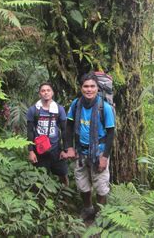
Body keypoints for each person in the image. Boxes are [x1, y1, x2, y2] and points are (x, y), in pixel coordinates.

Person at [63, 72, 116, 221]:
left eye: (92, 86)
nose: (89, 89)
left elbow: (111, 133)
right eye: (86, 86)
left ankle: (100, 214)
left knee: (100, 186)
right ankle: (88, 209)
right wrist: (69, 147)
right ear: (81, 88)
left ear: (97, 88)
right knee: (82, 184)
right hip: (81, 151)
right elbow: (69, 126)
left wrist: (105, 157)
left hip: (99, 151)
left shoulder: (104, 108)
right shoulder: (76, 104)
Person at [26, 82, 69, 185]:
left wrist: (65, 149)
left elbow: (64, 130)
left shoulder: (59, 109)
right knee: (39, 177)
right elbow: (30, 131)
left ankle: (63, 195)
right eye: (43, 91)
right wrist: (31, 151)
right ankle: (42, 199)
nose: (46, 93)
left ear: (52, 93)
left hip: (56, 149)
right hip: (40, 149)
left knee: (62, 174)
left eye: (48, 90)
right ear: (39, 94)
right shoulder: (33, 110)